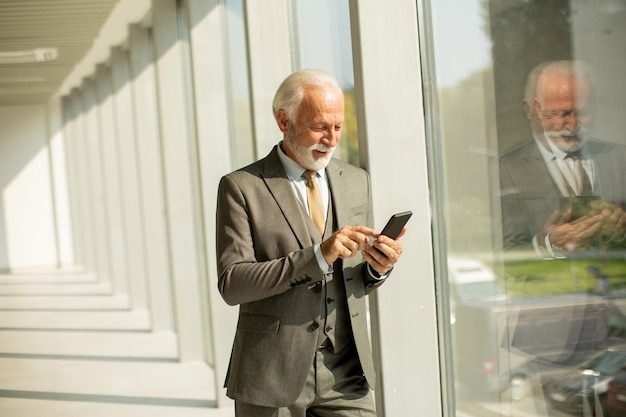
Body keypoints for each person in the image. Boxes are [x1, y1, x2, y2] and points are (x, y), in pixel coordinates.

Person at [215, 69, 405, 416]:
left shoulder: (355, 180)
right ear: (283, 120)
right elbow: (233, 284)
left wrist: (378, 269)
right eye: (320, 126)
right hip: (272, 376)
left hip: (348, 374)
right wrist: (318, 255)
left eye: (338, 126)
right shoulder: (242, 187)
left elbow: (351, 279)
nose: (331, 139)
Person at [499, 60, 626, 414]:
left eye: (581, 113)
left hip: (618, 327)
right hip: (553, 335)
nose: (571, 125)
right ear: (530, 110)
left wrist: (622, 226)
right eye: (559, 114)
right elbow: (498, 258)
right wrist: (548, 244)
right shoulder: (504, 170)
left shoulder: (618, 158)